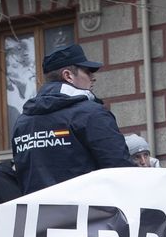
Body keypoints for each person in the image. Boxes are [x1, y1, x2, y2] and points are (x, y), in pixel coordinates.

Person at [12, 43, 132, 192]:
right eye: (87, 72)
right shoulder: (91, 114)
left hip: (39, 214)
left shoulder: (22, 122)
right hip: (90, 213)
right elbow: (122, 172)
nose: (92, 78)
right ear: (68, 75)